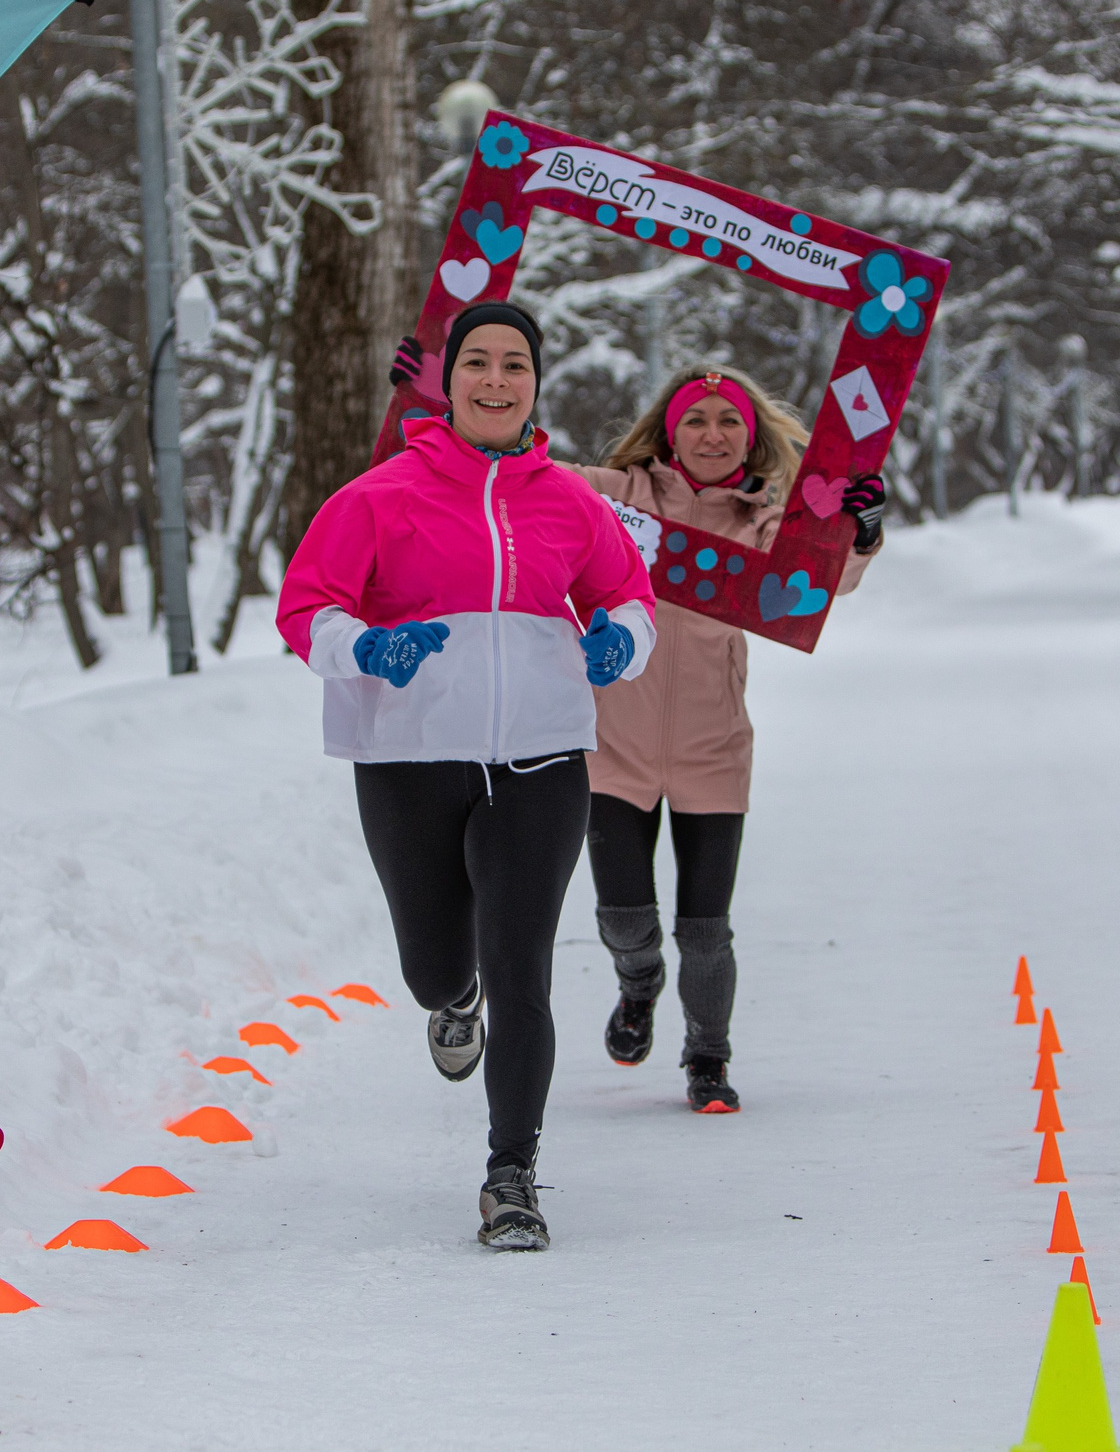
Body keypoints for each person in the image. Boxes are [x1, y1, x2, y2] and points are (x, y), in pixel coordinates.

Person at [277, 302, 657, 1251]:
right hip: (410, 757)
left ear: (537, 382)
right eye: (478, 363)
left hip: (542, 756)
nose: (496, 379)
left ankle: (512, 1174)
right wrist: (367, 646)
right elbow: (304, 608)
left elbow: (627, 593)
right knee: (437, 964)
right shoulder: (378, 495)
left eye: (515, 364)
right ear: (448, 383)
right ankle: (453, 999)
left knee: (521, 963)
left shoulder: (570, 501)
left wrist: (623, 638)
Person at [562, 364, 883, 1114]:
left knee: (706, 928)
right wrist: (434, 402)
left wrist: (856, 530)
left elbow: (822, 573)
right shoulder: (618, 495)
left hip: (714, 748)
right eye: (696, 418)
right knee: (624, 917)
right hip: (612, 744)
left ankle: (708, 1058)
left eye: (728, 420)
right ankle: (638, 983)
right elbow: (518, 462)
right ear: (668, 429)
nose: (712, 433)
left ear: (751, 435)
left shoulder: (763, 518)